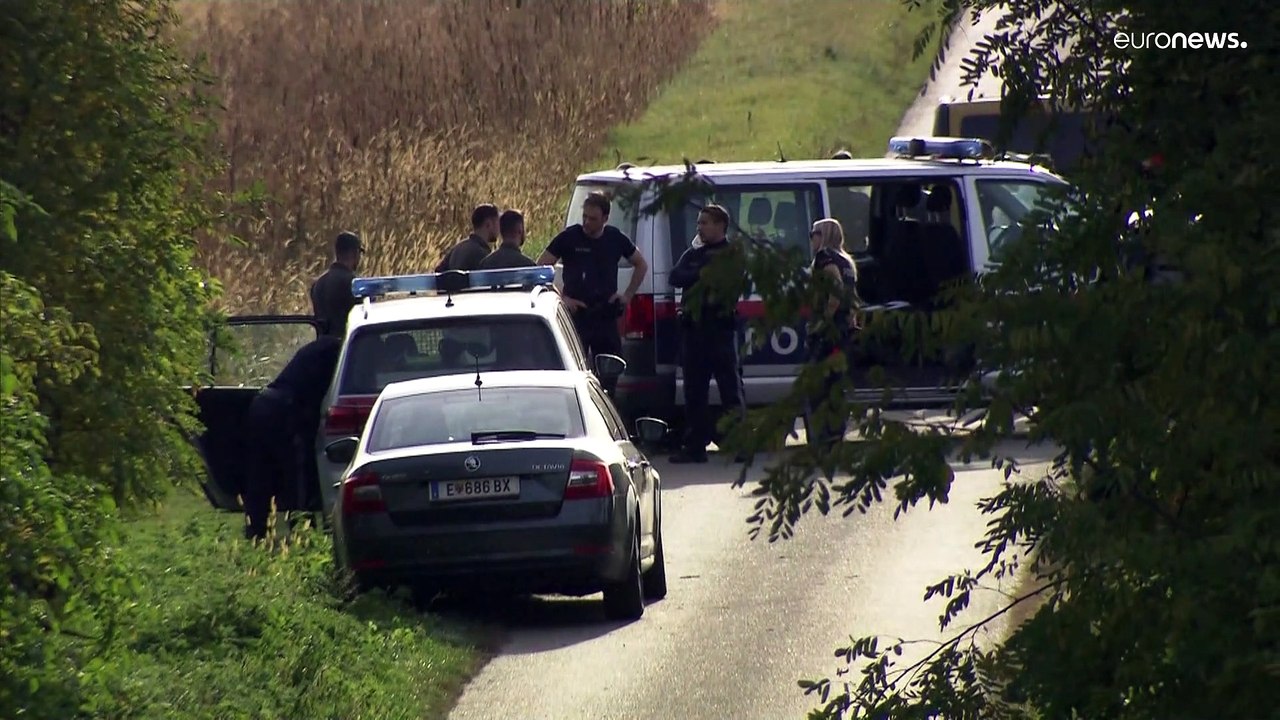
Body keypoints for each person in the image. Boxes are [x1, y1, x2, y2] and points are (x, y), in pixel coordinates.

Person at [667, 204, 748, 464]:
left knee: (730, 391)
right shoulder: (694, 252)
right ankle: (695, 446)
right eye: (699, 223)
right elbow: (676, 277)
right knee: (694, 392)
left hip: (719, 330)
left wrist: (700, 273)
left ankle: (740, 445)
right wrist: (700, 272)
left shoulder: (731, 253)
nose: (699, 227)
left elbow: (722, 280)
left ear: (720, 225)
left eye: (704, 223)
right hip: (693, 331)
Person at [242, 335, 343, 540]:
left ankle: (256, 529)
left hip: (264, 404)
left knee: (260, 473)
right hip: (285, 409)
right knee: (297, 474)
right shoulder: (338, 353)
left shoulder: (321, 347)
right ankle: (302, 527)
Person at [537, 191, 649, 365]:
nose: (587, 223)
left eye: (593, 219)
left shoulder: (615, 238)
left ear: (605, 218)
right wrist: (562, 298)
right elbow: (541, 267)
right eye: (584, 217)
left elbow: (641, 264)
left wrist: (627, 296)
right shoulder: (570, 237)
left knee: (610, 368)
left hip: (605, 315)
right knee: (573, 365)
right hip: (576, 315)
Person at [803, 218, 862, 449]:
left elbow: (835, 292)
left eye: (813, 233)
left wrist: (823, 322)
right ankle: (835, 436)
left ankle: (820, 440)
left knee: (815, 388)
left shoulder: (824, 258)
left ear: (823, 235)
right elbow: (852, 298)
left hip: (827, 332)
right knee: (836, 386)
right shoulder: (847, 261)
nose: (811, 238)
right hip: (843, 331)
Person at [309, 231, 363, 337]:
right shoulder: (353, 284)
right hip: (345, 349)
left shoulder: (318, 284)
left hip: (322, 349)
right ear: (355, 253)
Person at [436, 204, 500, 272]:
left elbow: (438, 273)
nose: (499, 227)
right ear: (488, 224)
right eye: (498, 222)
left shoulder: (458, 247)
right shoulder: (482, 254)